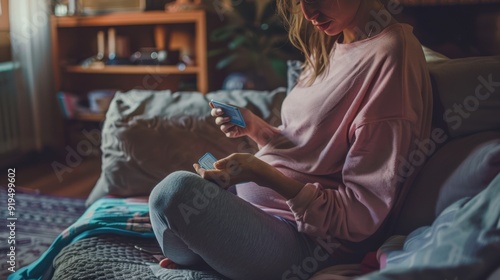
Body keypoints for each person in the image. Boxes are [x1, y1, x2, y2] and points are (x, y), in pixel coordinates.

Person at [149, 0, 432, 279]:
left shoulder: (391, 54)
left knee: (174, 192)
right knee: (176, 195)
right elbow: (309, 149)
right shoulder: (334, 41)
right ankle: (213, 254)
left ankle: (208, 255)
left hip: (307, 242)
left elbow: (361, 213)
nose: (307, 13)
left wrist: (261, 173)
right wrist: (257, 129)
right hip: (260, 215)